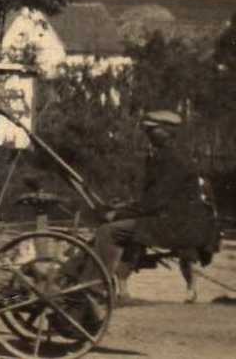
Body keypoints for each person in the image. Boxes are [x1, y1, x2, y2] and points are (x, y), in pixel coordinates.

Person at [92, 110, 221, 302]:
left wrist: (119, 213)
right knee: (127, 230)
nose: (148, 134)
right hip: (174, 219)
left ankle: (95, 288)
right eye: (147, 130)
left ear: (166, 132)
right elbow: (153, 198)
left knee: (111, 231)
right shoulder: (164, 155)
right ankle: (118, 290)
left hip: (180, 224)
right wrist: (124, 209)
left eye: (152, 130)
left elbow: (155, 200)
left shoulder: (173, 159)